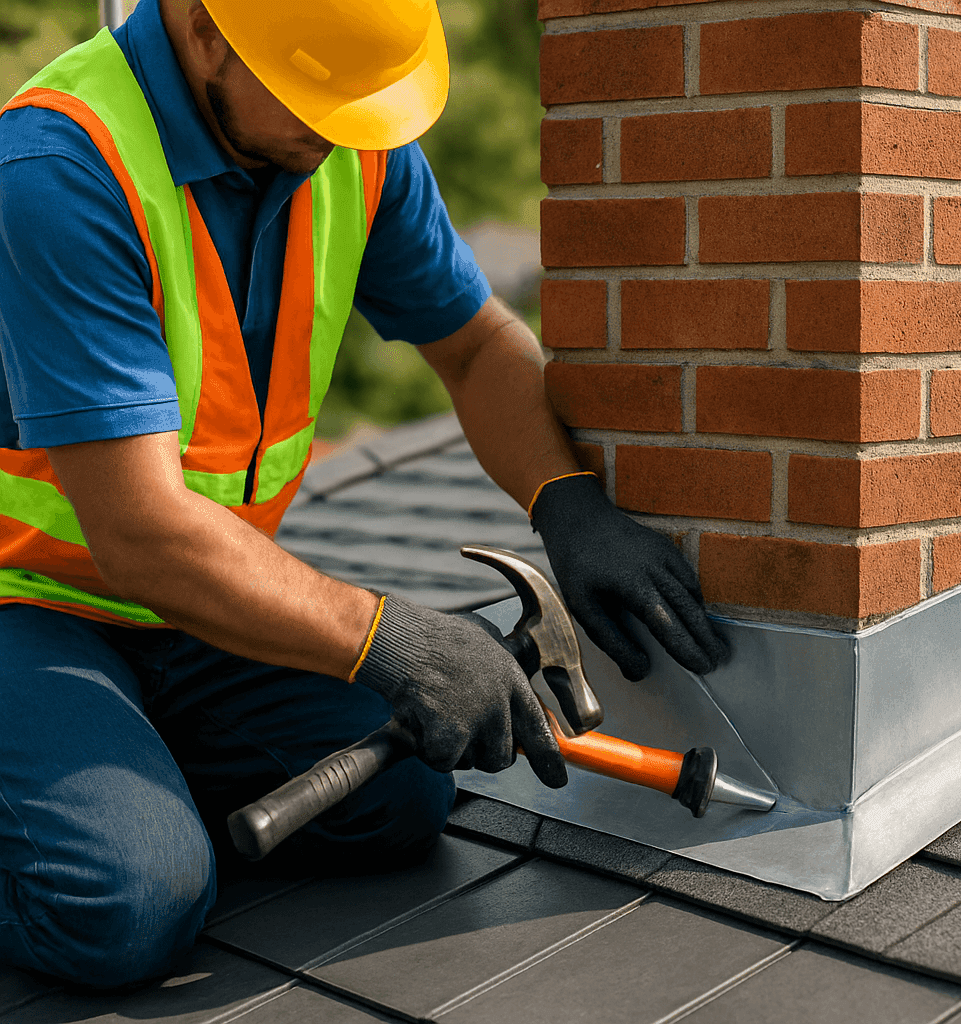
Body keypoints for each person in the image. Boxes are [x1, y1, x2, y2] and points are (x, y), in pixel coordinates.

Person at [0, 0, 727, 989]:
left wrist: (566, 501)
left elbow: (473, 348)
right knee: (127, 906)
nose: (343, 127)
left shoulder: (348, 142)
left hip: (191, 615)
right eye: (316, 96)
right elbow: (142, 535)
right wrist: (391, 638)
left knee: (403, 795)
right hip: (33, 609)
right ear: (204, 29)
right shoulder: (59, 168)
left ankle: (117, 771)